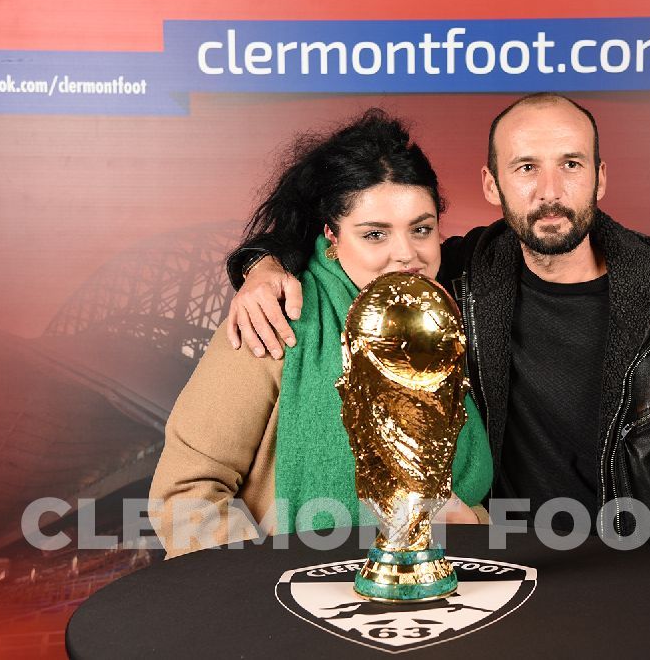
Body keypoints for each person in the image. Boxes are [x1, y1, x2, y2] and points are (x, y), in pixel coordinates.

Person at [225, 93, 650, 658]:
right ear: (492, 186)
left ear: (601, 179)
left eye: (572, 164)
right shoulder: (457, 278)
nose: (551, 191)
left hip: (641, 591)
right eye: (526, 167)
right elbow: (356, 243)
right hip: (506, 594)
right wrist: (259, 266)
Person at [148, 110, 493, 559]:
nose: (406, 254)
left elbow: (463, 495)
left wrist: (474, 531)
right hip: (290, 607)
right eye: (374, 235)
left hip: (440, 596)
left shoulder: (442, 320)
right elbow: (187, 492)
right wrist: (268, 592)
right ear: (331, 233)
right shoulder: (275, 320)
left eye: (421, 229)